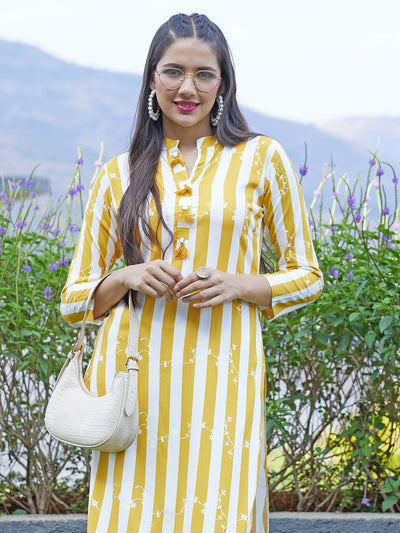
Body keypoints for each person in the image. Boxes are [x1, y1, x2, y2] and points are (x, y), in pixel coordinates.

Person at [61, 12, 323, 533]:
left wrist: (239, 284)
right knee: (131, 516)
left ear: (223, 83)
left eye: (204, 74)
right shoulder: (117, 173)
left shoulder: (262, 159)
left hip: (226, 373)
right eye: (173, 72)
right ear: (151, 80)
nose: (188, 88)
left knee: (222, 509)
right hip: (133, 381)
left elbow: (309, 276)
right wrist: (126, 277)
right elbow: (74, 300)